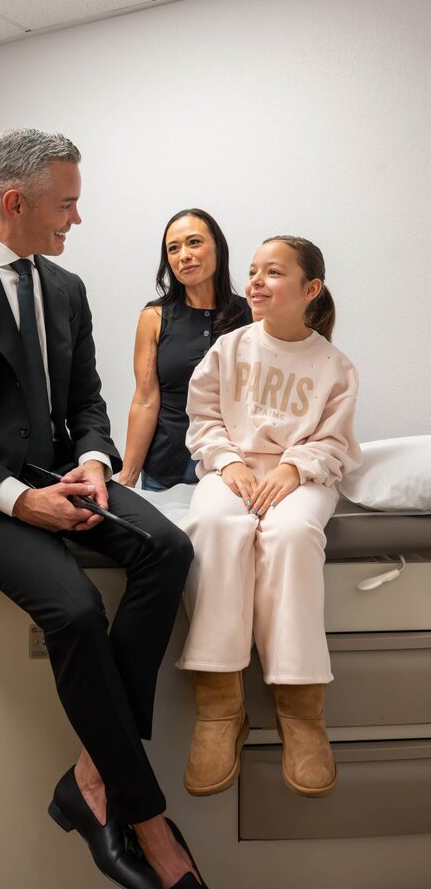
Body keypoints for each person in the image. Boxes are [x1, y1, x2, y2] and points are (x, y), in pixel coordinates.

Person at [0, 128, 207, 889]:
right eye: (66, 205)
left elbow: (88, 401)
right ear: (16, 201)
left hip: (65, 473)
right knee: (73, 611)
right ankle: (147, 820)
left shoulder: (66, 288)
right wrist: (19, 500)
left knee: (168, 549)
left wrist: (95, 462)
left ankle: (90, 775)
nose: (77, 219)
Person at [176, 236, 361, 800]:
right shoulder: (228, 348)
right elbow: (203, 417)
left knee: (292, 534)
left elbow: (333, 441)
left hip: (300, 477)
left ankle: (301, 711)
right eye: (253, 270)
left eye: (273, 272)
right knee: (214, 526)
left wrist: (293, 467)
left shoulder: (335, 366)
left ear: (310, 289)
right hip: (232, 469)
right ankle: (220, 707)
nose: (255, 281)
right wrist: (227, 461)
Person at [119, 209, 251, 491]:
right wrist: (126, 481)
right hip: (165, 467)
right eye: (174, 248)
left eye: (194, 242)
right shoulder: (154, 317)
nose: (184, 255)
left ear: (218, 247)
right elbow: (145, 400)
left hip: (235, 468)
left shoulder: (252, 316)